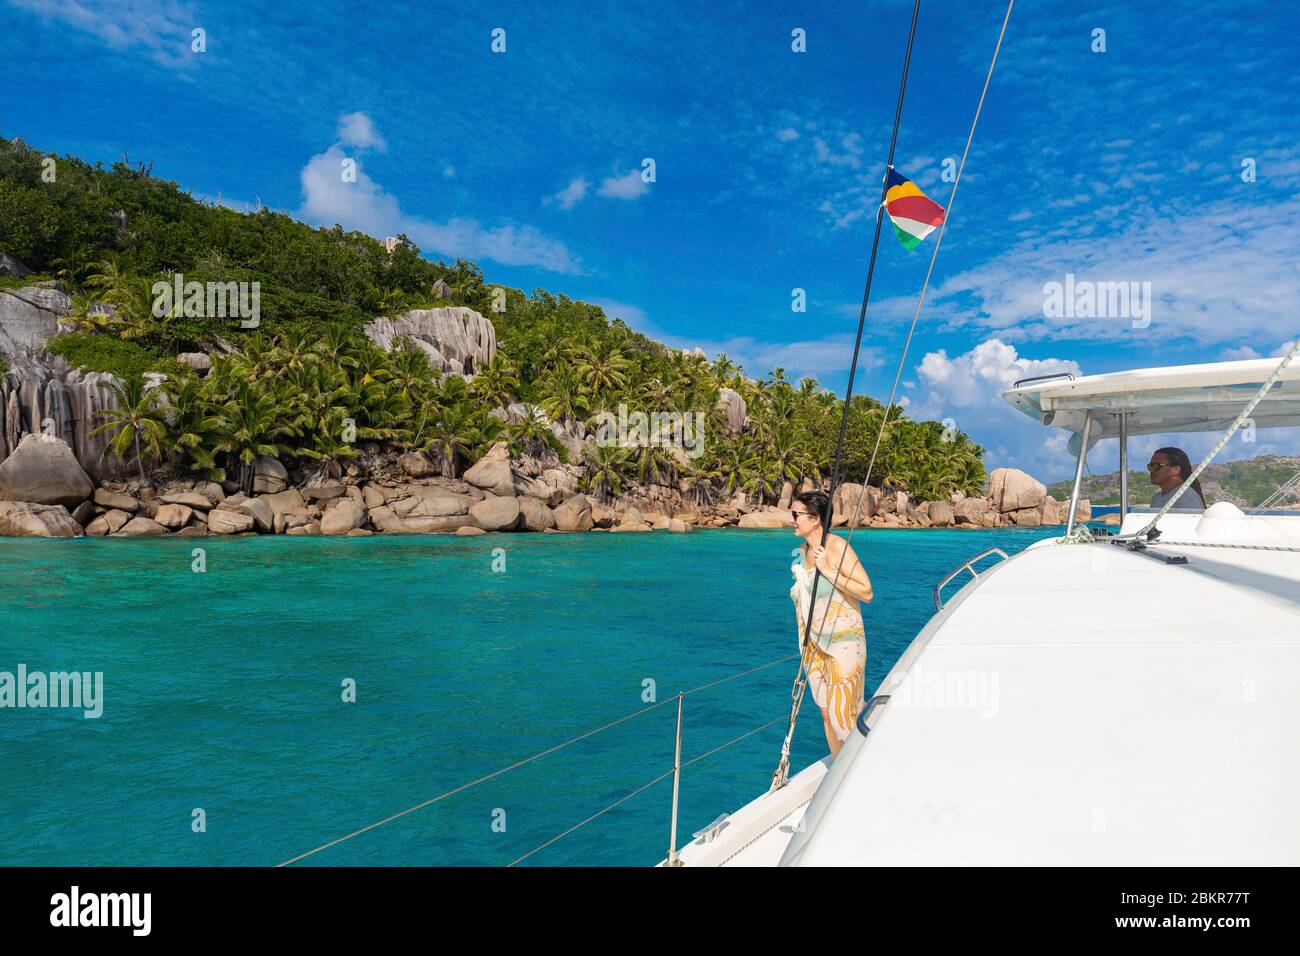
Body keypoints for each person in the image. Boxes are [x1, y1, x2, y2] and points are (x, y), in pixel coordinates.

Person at [788, 490, 873, 758]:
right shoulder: (802, 551)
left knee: (844, 717)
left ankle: (858, 773)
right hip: (814, 646)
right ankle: (838, 770)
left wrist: (829, 570)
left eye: (796, 514)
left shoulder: (837, 547)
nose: (791, 520)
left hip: (844, 646)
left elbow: (867, 592)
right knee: (827, 715)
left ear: (814, 519)